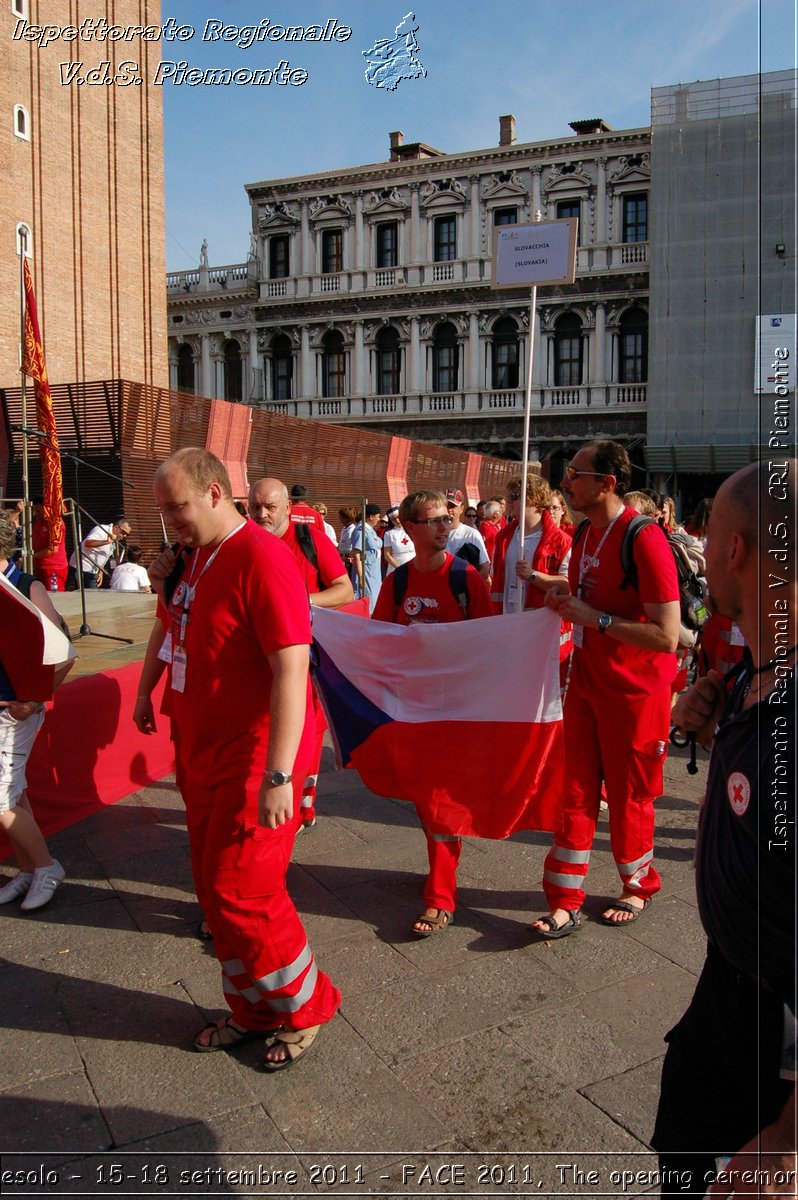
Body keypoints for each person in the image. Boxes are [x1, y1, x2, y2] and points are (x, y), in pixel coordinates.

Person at [134, 448, 340, 1070]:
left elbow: (291, 667)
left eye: (178, 507)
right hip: (200, 754)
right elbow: (173, 627)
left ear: (217, 493)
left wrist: (281, 775)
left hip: (253, 760)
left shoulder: (264, 558)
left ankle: (309, 1004)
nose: (169, 520)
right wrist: (148, 686)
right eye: (164, 510)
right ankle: (251, 1007)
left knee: (243, 890)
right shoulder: (194, 558)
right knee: (213, 892)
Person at [652, 459, 796, 1199]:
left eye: (708, 536)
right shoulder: (756, 674)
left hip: (779, 1047)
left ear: (737, 550)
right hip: (728, 996)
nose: (699, 555)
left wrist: (789, 1145)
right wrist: (717, 730)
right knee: (680, 1156)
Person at [532, 440, 679, 938]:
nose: (565, 482)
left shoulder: (645, 539)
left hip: (636, 693)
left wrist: (595, 617)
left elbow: (667, 634)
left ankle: (638, 884)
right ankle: (564, 900)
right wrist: (565, 597)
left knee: (629, 794)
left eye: (575, 473)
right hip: (588, 685)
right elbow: (592, 599)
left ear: (607, 483)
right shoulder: (585, 534)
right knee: (573, 791)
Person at [372, 489, 494, 936]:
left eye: (448, 519)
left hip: (454, 712)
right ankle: (440, 867)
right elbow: (377, 641)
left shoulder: (466, 580)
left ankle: (441, 895)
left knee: (440, 799)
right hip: (412, 710)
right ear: (410, 528)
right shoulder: (398, 583)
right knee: (427, 800)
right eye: (434, 521)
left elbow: (488, 644)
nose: (446, 527)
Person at [247, 477, 354, 829]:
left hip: (306, 657)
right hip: (252, 659)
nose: (261, 514)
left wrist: (297, 603)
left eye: (270, 507)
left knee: (305, 732)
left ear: (288, 509)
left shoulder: (310, 540)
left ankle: (304, 799)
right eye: (254, 507)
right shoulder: (241, 544)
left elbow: (344, 591)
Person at [0, 511, 74, 911]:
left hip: (14, 712)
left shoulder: (25, 585)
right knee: (12, 791)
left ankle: (46, 867)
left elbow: (63, 655)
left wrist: (31, 703)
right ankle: (29, 868)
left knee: (0, 798)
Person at [69, 515, 131, 589]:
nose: (124, 536)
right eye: (123, 532)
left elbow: (104, 555)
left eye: (127, 534)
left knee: (93, 595)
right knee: (86, 595)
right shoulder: (101, 530)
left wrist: (100, 571)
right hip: (82, 566)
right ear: (116, 527)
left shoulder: (114, 540)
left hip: (94, 569)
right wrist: (106, 542)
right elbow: (88, 543)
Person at [444, 487, 490, 579]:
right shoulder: (433, 533)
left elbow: (485, 568)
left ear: (461, 508)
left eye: (453, 506)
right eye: (447, 505)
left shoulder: (472, 535)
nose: (449, 509)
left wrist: (468, 587)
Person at [350, 503, 383, 613]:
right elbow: (356, 554)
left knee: (376, 602)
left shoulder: (370, 530)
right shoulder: (361, 531)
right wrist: (360, 576)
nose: (379, 519)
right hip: (366, 572)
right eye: (377, 516)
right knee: (369, 604)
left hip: (374, 573)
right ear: (371, 517)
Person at [31, 496, 68, 592]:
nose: (36, 514)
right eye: (35, 511)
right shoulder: (39, 522)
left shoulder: (55, 523)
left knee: (54, 597)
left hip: (53, 567)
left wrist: (32, 556)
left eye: (39, 511)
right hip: (40, 568)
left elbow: (52, 549)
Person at [382, 504, 415, 575]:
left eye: (398, 517)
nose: (397, 520)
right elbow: (387, 555)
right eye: (394, 519)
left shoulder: (412, 529)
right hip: (397, 568)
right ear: (391, 520)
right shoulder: (389, 534)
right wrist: (400, 568)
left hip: (414, 566)